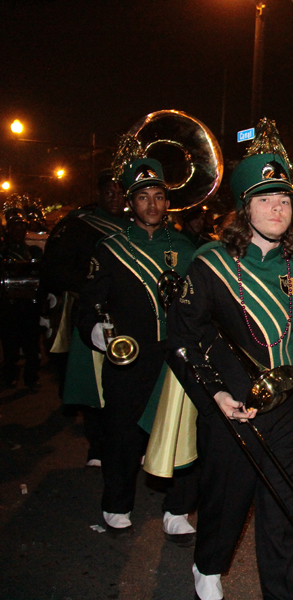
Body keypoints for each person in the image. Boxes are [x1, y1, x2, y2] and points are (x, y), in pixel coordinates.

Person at [166, 119, 293, 600]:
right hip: (232, 406)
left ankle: (285, 590)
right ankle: (208, 567)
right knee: (227, 500)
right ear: (244, 208)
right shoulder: (211, 263)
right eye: (264, 199)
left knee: (283, 508)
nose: (277, 208)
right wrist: (216, 394)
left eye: (284, 200)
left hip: (286, 411)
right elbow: (181, 338)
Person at [77, 145, 197, 537]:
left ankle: (177, 509)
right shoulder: (110, 248)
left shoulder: (185, 248)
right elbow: (90, 301)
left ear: (167, 201)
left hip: (174, 356)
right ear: (131, 201)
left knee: (180, 429)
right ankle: (116, 502)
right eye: (143, 196)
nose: (152, 204)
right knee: (122, 434)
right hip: (130, 357)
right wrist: (96, 329)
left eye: (159, 196)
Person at [41, 169, 127, 466]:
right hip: (92, 314)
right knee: (95, 385)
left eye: (120, 193)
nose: (115, 199)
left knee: (127, 383)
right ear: (100, 194)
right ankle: (97, 447)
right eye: (109, 193)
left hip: (128, 315)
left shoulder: (137, 226)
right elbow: (55, 270)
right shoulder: (79, 225)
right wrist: (94, 283)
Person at [0, 212, 43, 389]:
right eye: (14, 227)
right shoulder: (3, 251)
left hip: (29, 305)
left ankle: (31, 377)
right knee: (10, 345)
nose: (18, 231)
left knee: (31, 343)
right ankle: (10, 374)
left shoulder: (33, 251)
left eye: (21, 227)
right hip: (8, 305)